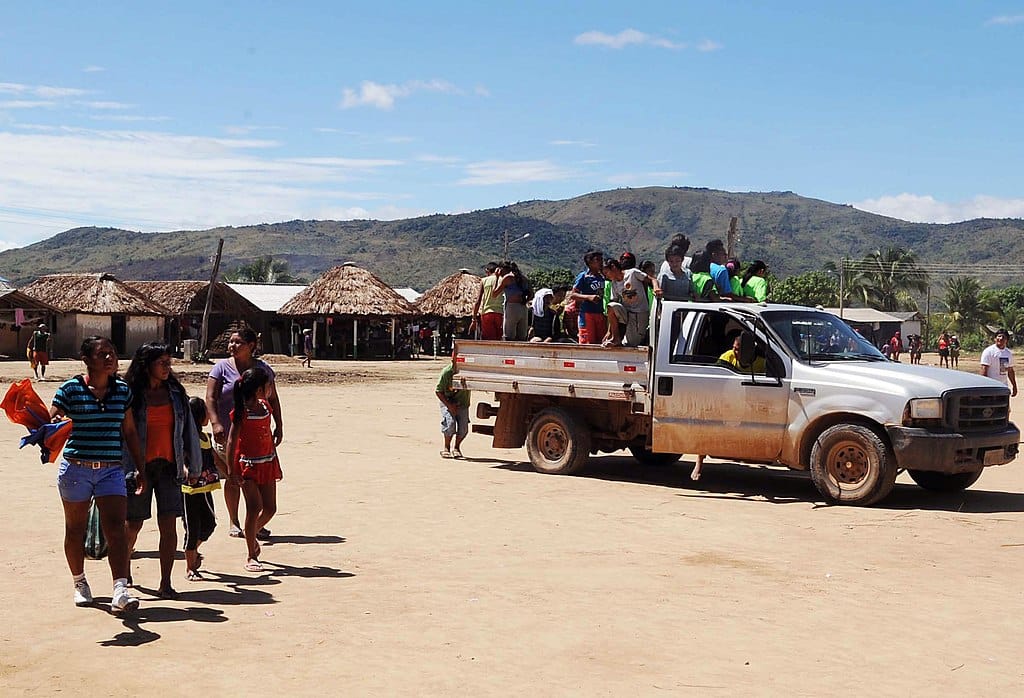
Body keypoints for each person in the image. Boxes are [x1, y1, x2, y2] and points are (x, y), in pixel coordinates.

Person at [49, 336, 145, 612]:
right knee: (75, 529)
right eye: (102, 354)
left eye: (112, 353)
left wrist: (140, 467)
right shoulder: (70, 389)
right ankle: (80, 583)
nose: (110, 358)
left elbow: (129, 432)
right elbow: (52, 418)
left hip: (111, 470)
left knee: (117, 529)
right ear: (87, 360)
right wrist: (54, 422)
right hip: (76, 470)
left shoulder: (122, 391)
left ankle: (120, 590)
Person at [123, 342, 203, 599]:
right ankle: (123, 576)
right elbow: (122, 434)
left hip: (169, 467)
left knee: (169, 526)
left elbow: (189, 430)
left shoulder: (176, 394)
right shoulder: (130, 395)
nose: (168, 368)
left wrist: (194, 465)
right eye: (163, 363)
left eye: (169, 363)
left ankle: (165, 582)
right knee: (133, 524)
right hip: (138, 470)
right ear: (147, 366)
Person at [206, 327, 283, 540]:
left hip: (256, 439)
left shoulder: (263, 370)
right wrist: (215, 423)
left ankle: (254, 524)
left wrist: (279, 425)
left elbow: (273, 399)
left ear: (251, 346)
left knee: (257, 484)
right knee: (232, 478)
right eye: (231, 342)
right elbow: (210, 398)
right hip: (228, 433)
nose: (232, 346)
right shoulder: (220, 369)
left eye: (238, 342)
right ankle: (235, 521)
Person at [226, 367, 282, 573]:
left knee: (270, 508)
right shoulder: (241, 412)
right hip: (247, 464)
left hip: (267, 462)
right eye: (268, 386)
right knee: (254, 507)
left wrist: (277, 461)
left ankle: (251, 533)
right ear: (259, 389)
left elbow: (267, 435)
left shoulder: (265, 406)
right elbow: (232, 440)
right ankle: (251, 554)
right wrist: (232, 470)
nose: (270, 389)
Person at [183, 397, 219, 582]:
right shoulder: (186, 440)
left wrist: (231, 473)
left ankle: (193, 551)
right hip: (189, 491)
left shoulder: (205, 438)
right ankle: (190, 567)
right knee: (192, 528)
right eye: (205, 411)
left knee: (210, 523)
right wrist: (188, 471)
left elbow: (214, 457)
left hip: (205, 488)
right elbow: (181, 460)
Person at [435, 355, 471, 458]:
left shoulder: (468, 372)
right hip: (448, 401)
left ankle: (457, 448)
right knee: (450, 424)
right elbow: (438, 391)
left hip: (463, 402)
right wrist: (449, 406)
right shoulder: (446, 372)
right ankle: (446, 448)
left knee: (463, 429)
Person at [569, 251, 607, 345]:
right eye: (597, 260)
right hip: (587, 314)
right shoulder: (584, 276)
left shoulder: (603, 276)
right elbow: (573, 295)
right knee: (588, 342)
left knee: (601, 341)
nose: (601, 262)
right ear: (590, 262)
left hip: (601, 313)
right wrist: (588, 297)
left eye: (601, 260)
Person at [494, 261, 530, 341]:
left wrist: (496, 277)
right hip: (524, 308)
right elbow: (531, 294)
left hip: (512, 307)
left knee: (508, 336)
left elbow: (494, 294)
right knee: (522, 337)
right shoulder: (524, 278)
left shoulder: (508, 278)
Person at [470, 262, 503, 341]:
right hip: (501, 313)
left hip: (487, 313)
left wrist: (473, 319)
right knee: (500, 339)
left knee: (488, 340)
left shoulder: (484, 280)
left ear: (487, 271)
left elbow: (478, 301)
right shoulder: (503, 280)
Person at [980, 329, 1017, 396]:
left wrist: (1014, 386)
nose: (1001, 338)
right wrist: (983, 387)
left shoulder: (1008, 353)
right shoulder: (989, 352)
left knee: (1004, 406)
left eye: (1004, 337)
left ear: (1007, 340)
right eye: (999, 336)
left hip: (1003, 387)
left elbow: (1010, 371)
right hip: (991, 387)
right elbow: (984, 370)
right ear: (995, 338)